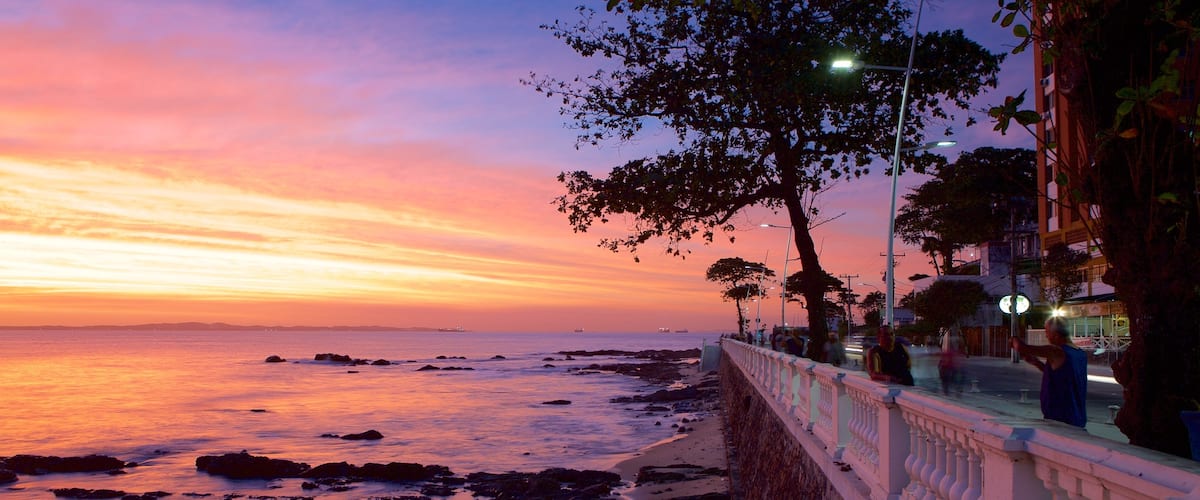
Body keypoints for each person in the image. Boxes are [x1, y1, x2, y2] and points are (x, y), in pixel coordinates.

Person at [1012, 317, 1087, 428]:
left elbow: (1022, 347)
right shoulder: (1079, 353)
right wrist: (1036, 363)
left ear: (1056, 335)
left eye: (1047, 332)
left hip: (1060, 418)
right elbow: (1061, 376)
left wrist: (1014, 337)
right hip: (1077, 416)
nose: (1046, 336)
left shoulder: (1056, 351)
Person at [938, 330, 965, 395]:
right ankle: (955, 390)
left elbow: (942, 360)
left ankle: (948, 391)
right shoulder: (952, 352)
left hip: (949, 367)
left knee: (947, 379)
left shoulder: (950, 352)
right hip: (950, 367)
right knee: (951, 379)